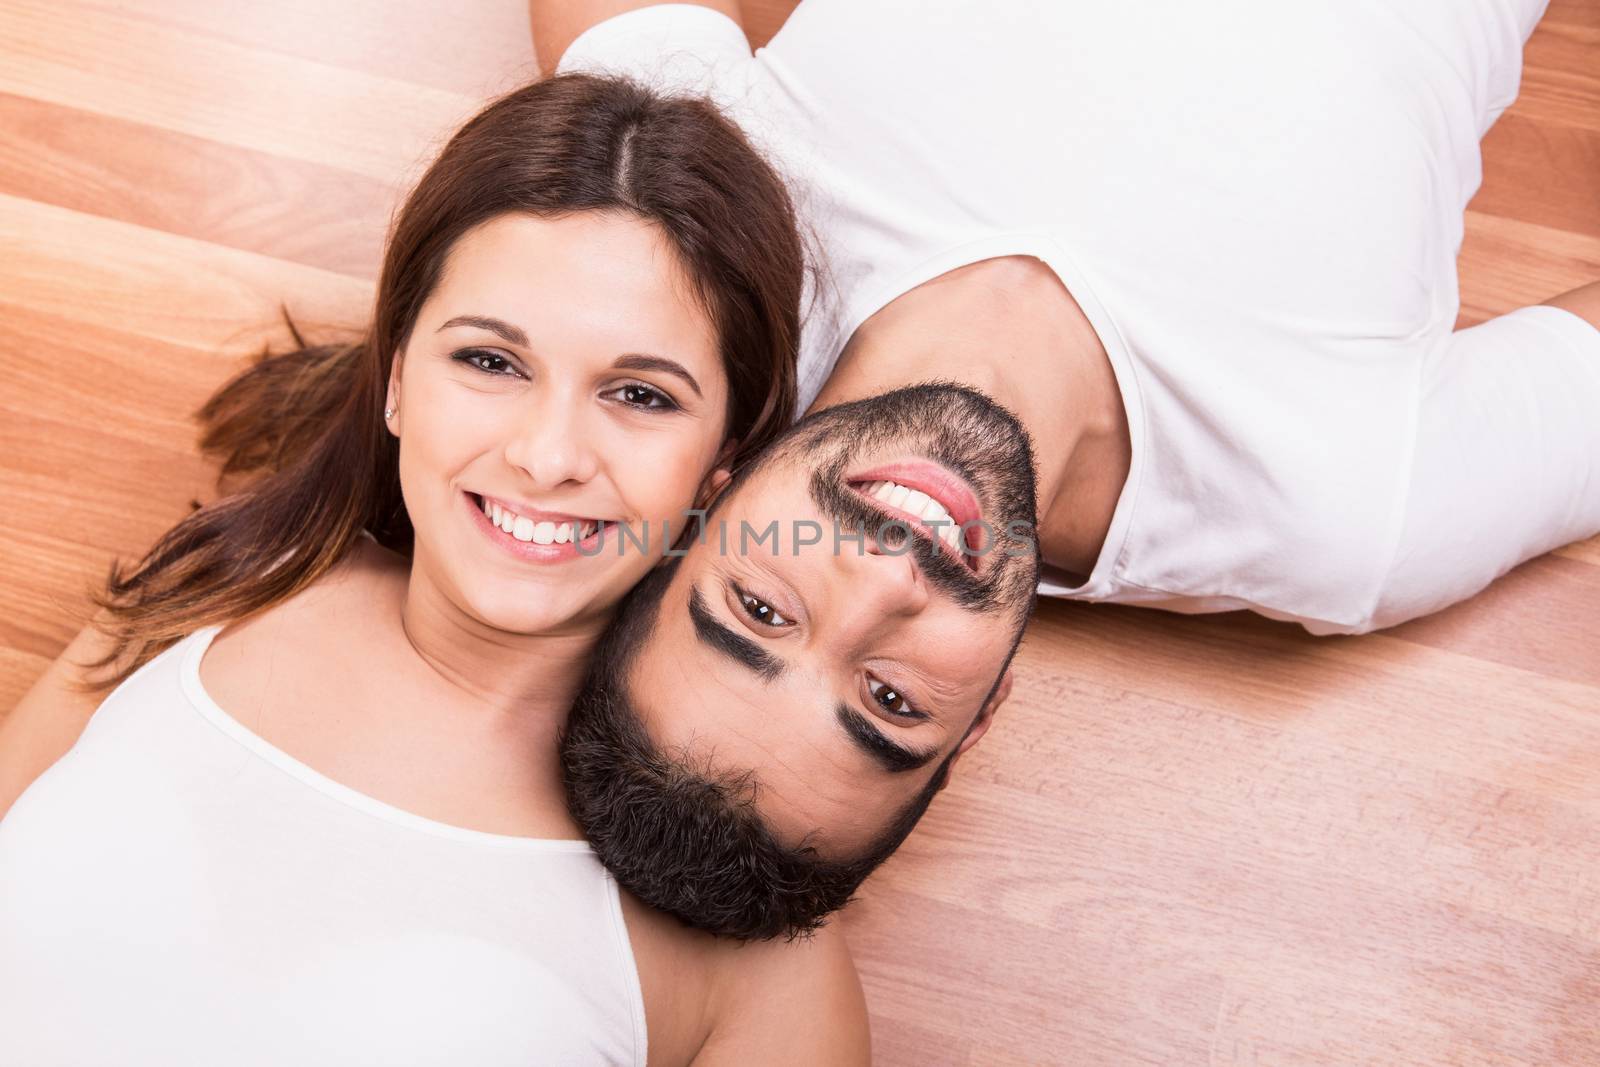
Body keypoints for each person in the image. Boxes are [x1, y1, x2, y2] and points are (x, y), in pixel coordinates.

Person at [538, 0, 1600, 940]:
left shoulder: (707, 234)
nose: (881, 578)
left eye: (763, 607)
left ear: (702, 505)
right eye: (890, 695)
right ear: (988, 704)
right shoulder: (1350, 517)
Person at [0, 73, 869, 1065]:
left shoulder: (745, 919)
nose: (548, 456)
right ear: (400, 377)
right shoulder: (220, 583)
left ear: (720, 467)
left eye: (637, 393)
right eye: (492, 362)